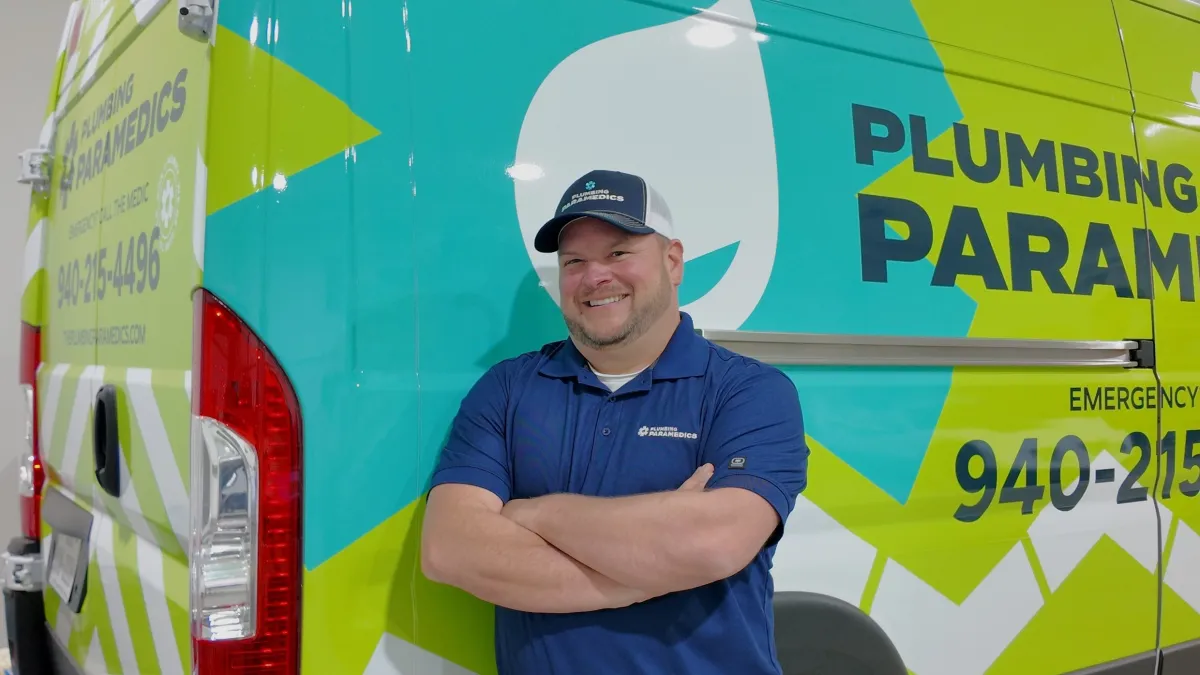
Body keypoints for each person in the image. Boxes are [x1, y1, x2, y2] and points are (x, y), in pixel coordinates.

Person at [420, 168, 809, 675]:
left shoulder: (749, 390)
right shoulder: (509, 388)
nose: (595, 276)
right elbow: (449, 549)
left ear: (673, 262)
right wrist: (658, 564)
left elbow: (712, 543)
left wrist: (533, 516)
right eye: (574, 261)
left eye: (618, 253)